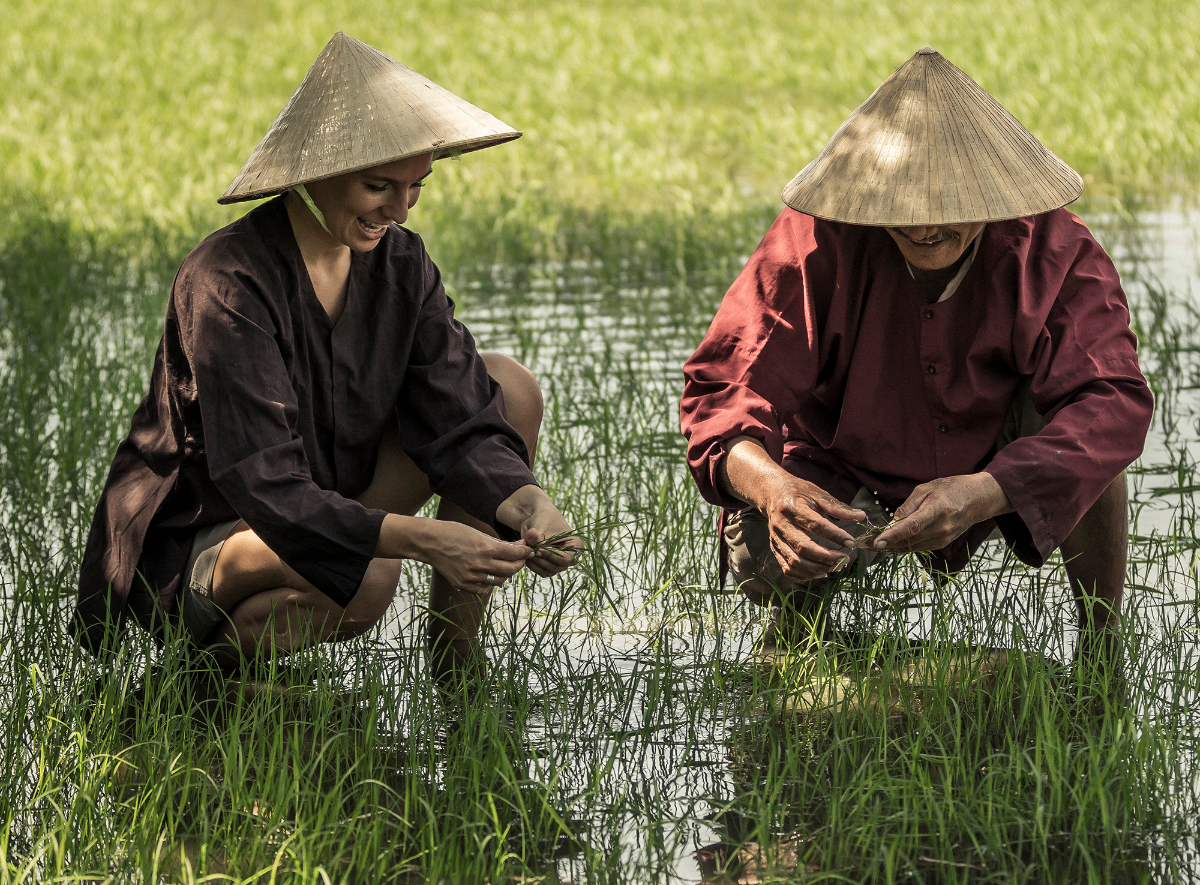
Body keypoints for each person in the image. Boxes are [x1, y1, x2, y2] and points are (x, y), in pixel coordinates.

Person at [75, 33, 579, 677]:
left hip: (328, 500)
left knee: (507, 389)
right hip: (218, 535)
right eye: (378, 186)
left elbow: (461, 414)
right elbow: (269, 489)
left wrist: (527, 502)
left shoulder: (401, 263)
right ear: (317, 173)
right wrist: (425, 540)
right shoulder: (228, 282)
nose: (399, 210)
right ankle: (203, 679)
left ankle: (454, 656)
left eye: (416, 187)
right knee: (369, 575)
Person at [680, 48, 1153, 665]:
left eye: (949, 207)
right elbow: (722, 388)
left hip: (991, 456)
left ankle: (1102, 646)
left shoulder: (1054, 250)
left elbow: (1112, 402)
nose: (926, 227)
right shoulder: (816, 239)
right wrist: (775, 491)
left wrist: (985, 492)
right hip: (837, 461)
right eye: (904, 207)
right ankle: (797, 636)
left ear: (993, 196)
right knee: (767, 556)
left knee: (1090, 443)